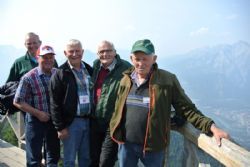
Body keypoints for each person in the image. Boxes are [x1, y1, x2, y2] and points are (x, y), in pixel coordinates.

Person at [109, 39, 230, 167]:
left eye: (145, 59)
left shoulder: (167, 81)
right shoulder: (125, 80)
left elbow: (187, 108)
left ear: (154, 58)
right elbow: (118, 109)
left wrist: (212, 127)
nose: (141, 63)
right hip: (126, 145)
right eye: (137, 59)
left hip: (154, 148)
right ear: (131, 59)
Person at [13, 44, 60, 167]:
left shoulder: (58, 74)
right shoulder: (28, 77)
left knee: (53, 156)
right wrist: (38, 114)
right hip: (35, 122)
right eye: (45, 57)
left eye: (51, 57)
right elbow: (17, 101)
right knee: (34, 158)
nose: (49, 60)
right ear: (38, 58)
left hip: (53, 121)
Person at [49, 39, 93, 167]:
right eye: (71, 51)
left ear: (82, 52)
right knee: (69, 159)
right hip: (71, 123)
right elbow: (54, 103)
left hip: (89, 121)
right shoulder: (59, 73)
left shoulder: (89, 70)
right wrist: (60, 127)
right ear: (65, 53)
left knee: (86, 158)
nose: (75, 54)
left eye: (77, 51)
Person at [90, 40, 131, 167]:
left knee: (106, 161)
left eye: (108, 51)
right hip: (94, 120)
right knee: (93, 159)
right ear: (97, 54)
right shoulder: (96, 65)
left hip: (113, 122)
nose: (105, 54)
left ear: (115, 52)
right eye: (101, 52)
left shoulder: (126, 68)